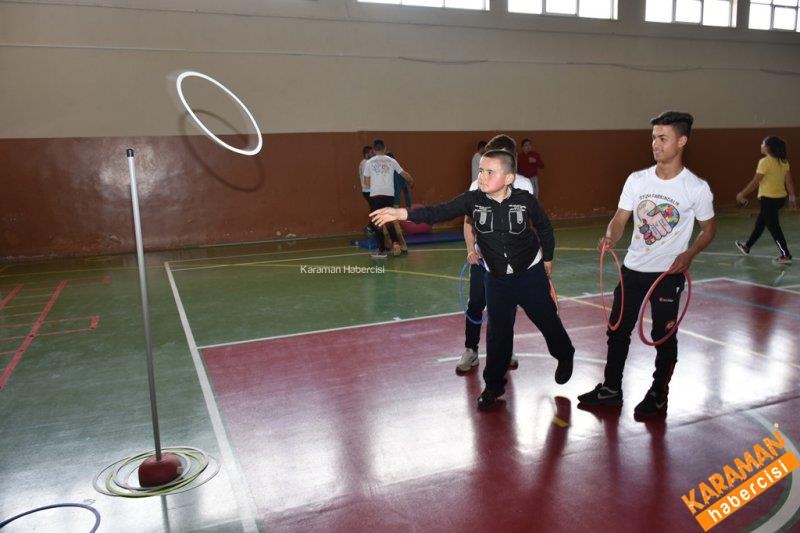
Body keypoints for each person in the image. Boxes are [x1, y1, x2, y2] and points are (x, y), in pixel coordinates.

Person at [371, 135, 574, 410]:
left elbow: (545, 228)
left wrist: (547, 258)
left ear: (509, 178)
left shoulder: (525, 200)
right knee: (498, 333)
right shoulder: (473, 200)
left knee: (547, 321)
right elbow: (437, 211)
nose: (482, 177)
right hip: (496, 279)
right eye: (481, 170)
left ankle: (565, 354)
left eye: (490, 172)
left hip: (529, 273)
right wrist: (402, 214)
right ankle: (493, 386)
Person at [577, 111, 716, 420]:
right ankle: (611, 390)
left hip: (667, 275)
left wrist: (690, 254)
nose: (655, 144)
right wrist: (611, 235)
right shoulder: (637, 180)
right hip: (632, 270)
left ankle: (658, 394)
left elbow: (709, 229)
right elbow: (620, 219)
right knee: (617, 331)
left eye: (663, 138)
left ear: (682, 141)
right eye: (653, 137)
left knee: (663, 337)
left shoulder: (695, 187)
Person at [457, 146, 534, 374]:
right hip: (483, 260)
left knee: (506, 307)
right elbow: (468, 222)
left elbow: (527, 224)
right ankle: (471, 350)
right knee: (476, 303)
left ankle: (506, 349)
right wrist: (471, 249)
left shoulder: (524, 185)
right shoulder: (478, 185)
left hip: (510, 263)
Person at [735, 136, 796, 264]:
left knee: (774, 227)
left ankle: (785, 255)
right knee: (761, 223)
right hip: (780, 200)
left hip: (768, 200)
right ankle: (747, 246)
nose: (761, 145)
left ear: (768, 147)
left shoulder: (764, 162)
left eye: (763, 143)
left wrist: (742, 194)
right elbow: (789, 181)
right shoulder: (783, 161)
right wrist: (792, 198)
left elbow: (755, 181)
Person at [363, 140, 414, 258]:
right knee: (389, 221)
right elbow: (404, 174)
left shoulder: (369, 162)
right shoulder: (391, 161)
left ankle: (381, 249)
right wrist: (411, 180)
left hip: (375, 196)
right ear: (385, 149)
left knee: (378, 223)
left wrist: (375, 186)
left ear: (374, 150)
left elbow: (366, 182)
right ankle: (396, 244)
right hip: (389, 195)